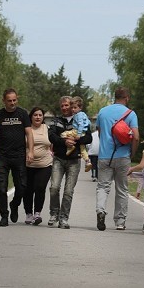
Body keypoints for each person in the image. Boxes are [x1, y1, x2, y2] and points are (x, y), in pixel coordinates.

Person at [95, 87, 139, 231]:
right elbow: (136, 137)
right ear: (127, 98)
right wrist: (132, 153)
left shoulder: (102, 112)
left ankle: (100, 210)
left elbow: (100, 133)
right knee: (122, 189)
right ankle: (120, 222)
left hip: (104, 156)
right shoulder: (131, 114)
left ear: (115, 97)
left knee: (103, 186)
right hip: (123, 156)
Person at [0, 88, 34, 227]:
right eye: (9, 101)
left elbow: (29, 133)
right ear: (4, 101)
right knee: (1, 188)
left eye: (14, 100)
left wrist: (30, 151)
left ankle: (14, 204)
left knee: (22, 187)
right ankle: (4, 215)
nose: (12, 103)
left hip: (19, 156)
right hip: (2, 157)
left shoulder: (22, 114)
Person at [47, 95, 92, 228]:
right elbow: (51, 136)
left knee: (68, 191)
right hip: (58, 159)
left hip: (74, 161)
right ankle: (54, 213)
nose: (64, 108)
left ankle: (64, 218)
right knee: (54, 188)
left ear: (72, 106)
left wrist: (77, 140)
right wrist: (64, 141)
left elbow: (89, 138)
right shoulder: (56, 120)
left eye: (67, 105)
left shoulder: (80, 118)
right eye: (62, 106)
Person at [22, 106, 52, 225]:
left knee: (40, 188)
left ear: (43, 117)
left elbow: (53, 142)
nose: (38, 117)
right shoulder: (26, 129)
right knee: (28, 189)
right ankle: (29, 214)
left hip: (45, 164)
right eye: (35, 115)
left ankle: (37, 214)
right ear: (31, 117)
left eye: (40, 115)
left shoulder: (47, 128)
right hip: (27, 165)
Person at [61, 97, 92, 169]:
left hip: (77, 131)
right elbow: (88, 122)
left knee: (63, 134)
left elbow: (81, 125)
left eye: (75, 108)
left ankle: (70, 147)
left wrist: (78, 134)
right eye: (72, 108)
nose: (73, 109)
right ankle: (87, 161)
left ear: (80, 108)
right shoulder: (83, 114)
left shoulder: (78, 115)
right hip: (82, 132)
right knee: (83, 149)